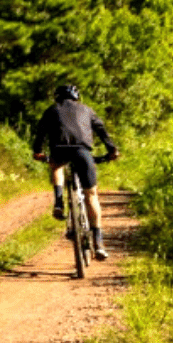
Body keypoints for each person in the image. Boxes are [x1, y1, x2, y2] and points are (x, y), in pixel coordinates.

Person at [32, 84, 119, 260]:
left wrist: (37, 151)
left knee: (57, 166)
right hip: (82, 151)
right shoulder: (87, 110)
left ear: (57, 97)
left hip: (59, 150)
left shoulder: (51, 110)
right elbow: (101, 130)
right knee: (91, 195)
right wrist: (111, 150)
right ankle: (98, 242)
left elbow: (40, 131)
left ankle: (58, 201)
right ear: (76, 97)